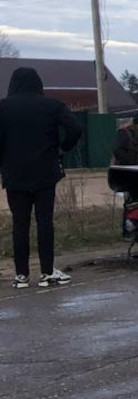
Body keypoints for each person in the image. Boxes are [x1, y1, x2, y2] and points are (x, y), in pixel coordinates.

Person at [0, 66, 83, 288]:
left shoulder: (3, 107)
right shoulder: (52, 105)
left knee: (20, 223)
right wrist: (62, 148)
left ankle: (21, 276)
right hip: (45, 171)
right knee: (44, 221)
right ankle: (47, 272)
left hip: (14, 173)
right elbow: (75, 129)